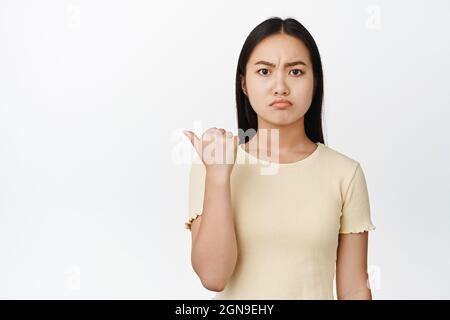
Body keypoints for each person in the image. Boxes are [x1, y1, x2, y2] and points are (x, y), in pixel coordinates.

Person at [183, 17, 376, 300]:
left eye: (296, 72)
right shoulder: (212, 164)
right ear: (244, 84)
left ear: (315, 81)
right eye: (264, 71)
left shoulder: (345, 174)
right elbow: (213, 276)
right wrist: (219, 176)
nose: (280, 86)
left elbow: (355, 288)